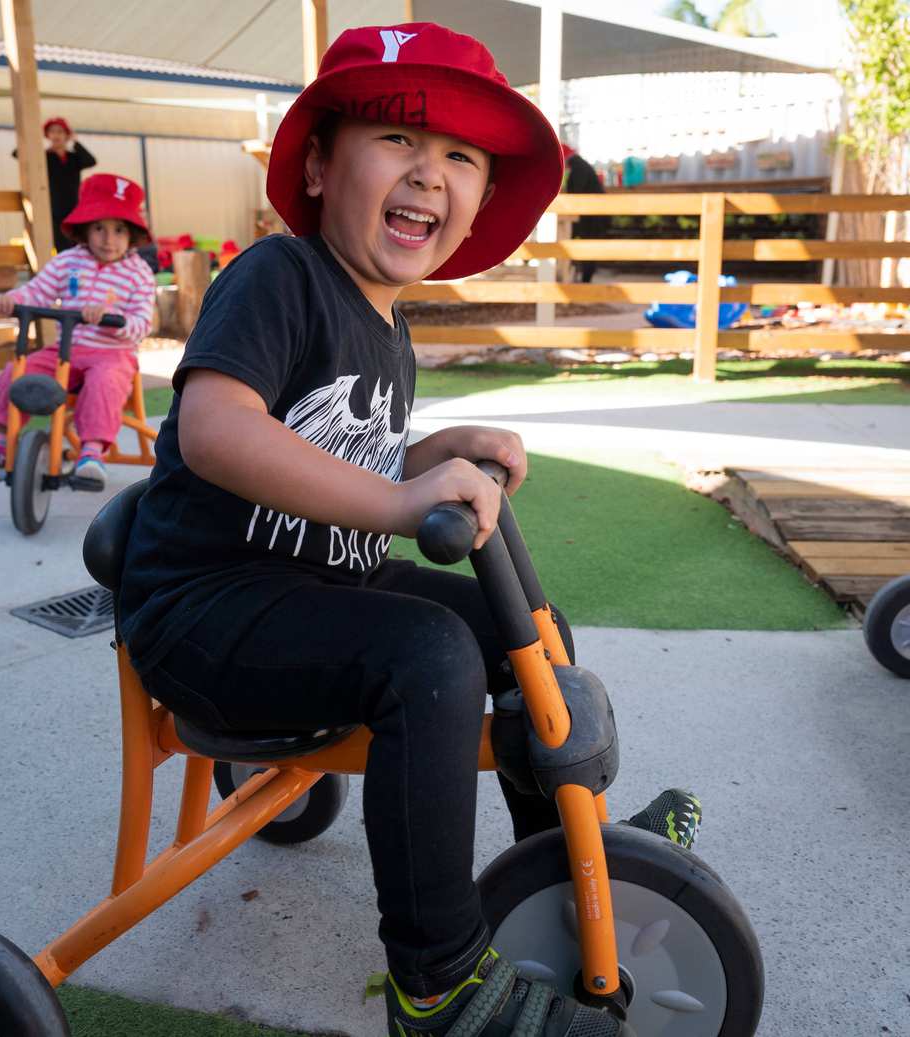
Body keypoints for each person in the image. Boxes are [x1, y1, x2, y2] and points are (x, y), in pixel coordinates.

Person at [118, 24, 699, 1037]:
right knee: (426, 652)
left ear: (473, 203)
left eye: (460, 158)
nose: (427, 173)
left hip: (314, 596)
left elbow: (341, 447)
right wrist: (396, 503)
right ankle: (433, 982)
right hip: (207, 607)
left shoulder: (386, 326)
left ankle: (564, 857)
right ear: (316, 164)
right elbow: (217, 429)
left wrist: (428, 451)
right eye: (394, 139)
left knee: (519, 625)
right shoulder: (278, 276)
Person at [0, 173, 155, 489]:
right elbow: (37, 292)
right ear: (84, 230)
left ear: (132, 234)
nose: (109, 239)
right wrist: (12, 300)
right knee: (16, 372)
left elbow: (143, 323)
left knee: (105, 380)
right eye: (99, 228)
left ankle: (91, 452)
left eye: (119, 230)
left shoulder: (139, 273)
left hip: (111, 353)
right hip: (66, 350)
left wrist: (112, 318)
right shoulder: (69, 261)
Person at [15, 116, 97, 251]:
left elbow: (91, 161)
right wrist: (34, 141)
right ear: (47, 135)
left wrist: (76, 142)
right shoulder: (43, 157)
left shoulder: (73, 158)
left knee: (77, 243)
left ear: (67, 135)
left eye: (60, 132)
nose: (56, 135)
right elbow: (18, 154)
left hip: (73, 208)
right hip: (52, 208)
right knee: (60, 245)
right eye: (52, 132)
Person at [561, 143, 608, 284]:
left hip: (592, 216)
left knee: (589, 246)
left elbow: (576, 193)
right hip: (590, 214)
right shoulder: (580, 166)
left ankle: (586, 283)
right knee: (587, 245)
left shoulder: (579, 169)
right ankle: (584, 280)